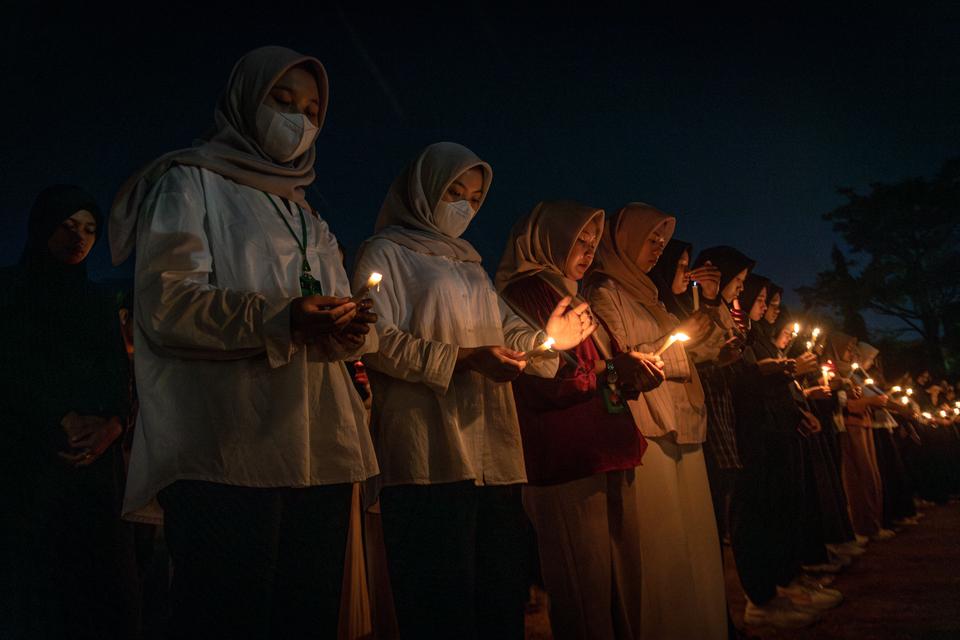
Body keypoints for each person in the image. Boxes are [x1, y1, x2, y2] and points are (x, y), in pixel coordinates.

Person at [109, 46, 379, 638]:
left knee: (304, 615)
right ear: (242, 103)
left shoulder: (309, 217)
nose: (297, 121)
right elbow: (169, 304)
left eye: (311, 111)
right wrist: (281, 318)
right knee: (228, 615)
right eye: (281, 102)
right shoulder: (190, 183)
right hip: (228, 451)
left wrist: (348, 330)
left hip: (320, 451)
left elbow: (331, 320)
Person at [354, 142, 594, 639]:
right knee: (441, 604)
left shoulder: (472, 267)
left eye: (476, 198)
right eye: (454, 192)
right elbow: (375, 339)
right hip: (427, 455)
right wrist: (461, 360)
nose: (464, 206)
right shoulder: (385, 254)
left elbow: (509, 334)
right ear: (423, 190)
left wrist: (549, 339)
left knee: (498, 600)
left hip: (491, 457)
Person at [495, 200, 665, 639]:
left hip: (609, 448)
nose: (589, 251)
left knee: (623, 585)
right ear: (548, 239)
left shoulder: (573, 294)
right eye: (579, 241)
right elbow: (539, 376)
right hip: (567, 459)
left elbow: (599, 365)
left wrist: (630, 372)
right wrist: (612, 371)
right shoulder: (525, 294)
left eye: (593, 242)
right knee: (583, 587)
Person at [0, 185, 140, 639]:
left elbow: (121, 376)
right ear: (42, 227)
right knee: (40, 593)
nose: (78, 238)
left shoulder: (99, 303)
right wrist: (56, 417)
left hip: (96, 471)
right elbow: (12, 368)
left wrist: (114, 425)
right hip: (33, 464)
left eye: (89, 229)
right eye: (67, 225)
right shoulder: (12, 293)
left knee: (102, 592)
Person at [584, 203, 727, 640]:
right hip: (648, 425)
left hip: (682, 421)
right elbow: (615, 359)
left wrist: (706, 335)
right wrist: (670, 348)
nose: (658, 249)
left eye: (663, 242)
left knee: (693, 538)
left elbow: (684, 350)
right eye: (652, 240)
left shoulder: (650, 292)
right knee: (662, 543)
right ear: (625, 239)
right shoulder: (604, 291)